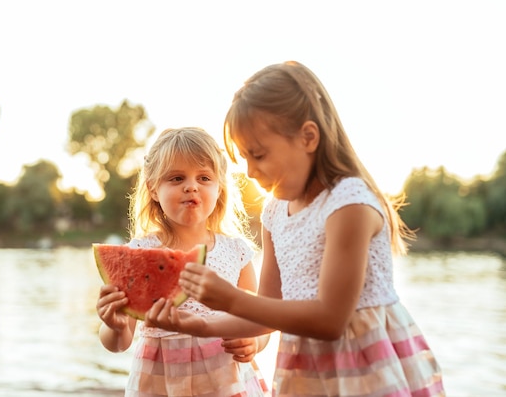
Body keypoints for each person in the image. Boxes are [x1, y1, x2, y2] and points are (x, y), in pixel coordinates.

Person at [146, 62, 445, 396]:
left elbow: (330, 320)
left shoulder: (349, 204)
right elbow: (267, 312)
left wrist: (229, 298)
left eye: (257, 155)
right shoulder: (275, 213)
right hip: (307, 371)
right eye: (243, 158)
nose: (249, 171)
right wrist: (200, 326)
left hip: (366, 368)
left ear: (308, 137)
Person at [96, 127, 269, 396]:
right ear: (153, 189)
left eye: (204, 178)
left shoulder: (237, 252)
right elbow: (118, 344)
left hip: (227, 381)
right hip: (160, 384)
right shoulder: (140, 251)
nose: (191, 186)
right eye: (177, 178)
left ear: (219, 187)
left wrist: (254, 343)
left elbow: (260, 321)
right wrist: (114, 326)